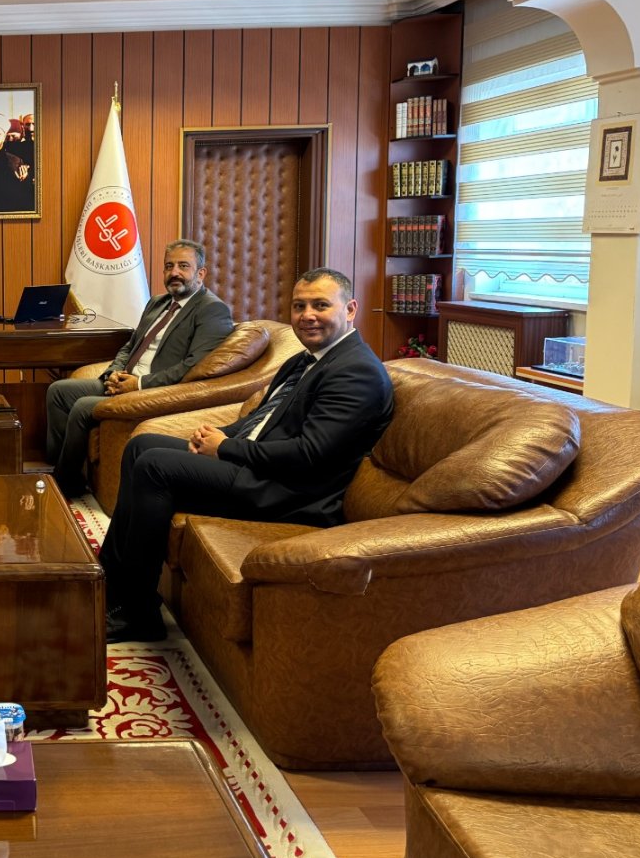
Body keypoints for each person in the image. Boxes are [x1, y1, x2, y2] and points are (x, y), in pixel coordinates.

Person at [100, 267, 394, 642]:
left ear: (350, 309)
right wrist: (223, 434)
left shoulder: (356, 372)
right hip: (260, 467)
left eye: (320, 305)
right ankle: (108, 582)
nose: (307, 316)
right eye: (299, 306)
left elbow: (311, 455)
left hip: (290, 491)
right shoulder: (308, 358)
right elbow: (264, 418)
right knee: (141, 445)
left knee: (155, 467)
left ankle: (138, 612)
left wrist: (225, 448)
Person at [46, 239, 234, 496]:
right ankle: (63, 469)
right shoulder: (158, 302)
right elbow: (130, 345)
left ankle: (63, 484)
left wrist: (139, 384)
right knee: (58, 392)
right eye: (169, 266)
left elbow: (192, 366)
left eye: (183, 266)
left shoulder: (212, 310)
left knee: (82, 407)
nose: (175, 273)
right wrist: (113, 372)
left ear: (201, 273)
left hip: (153, 390)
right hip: (125, 380)